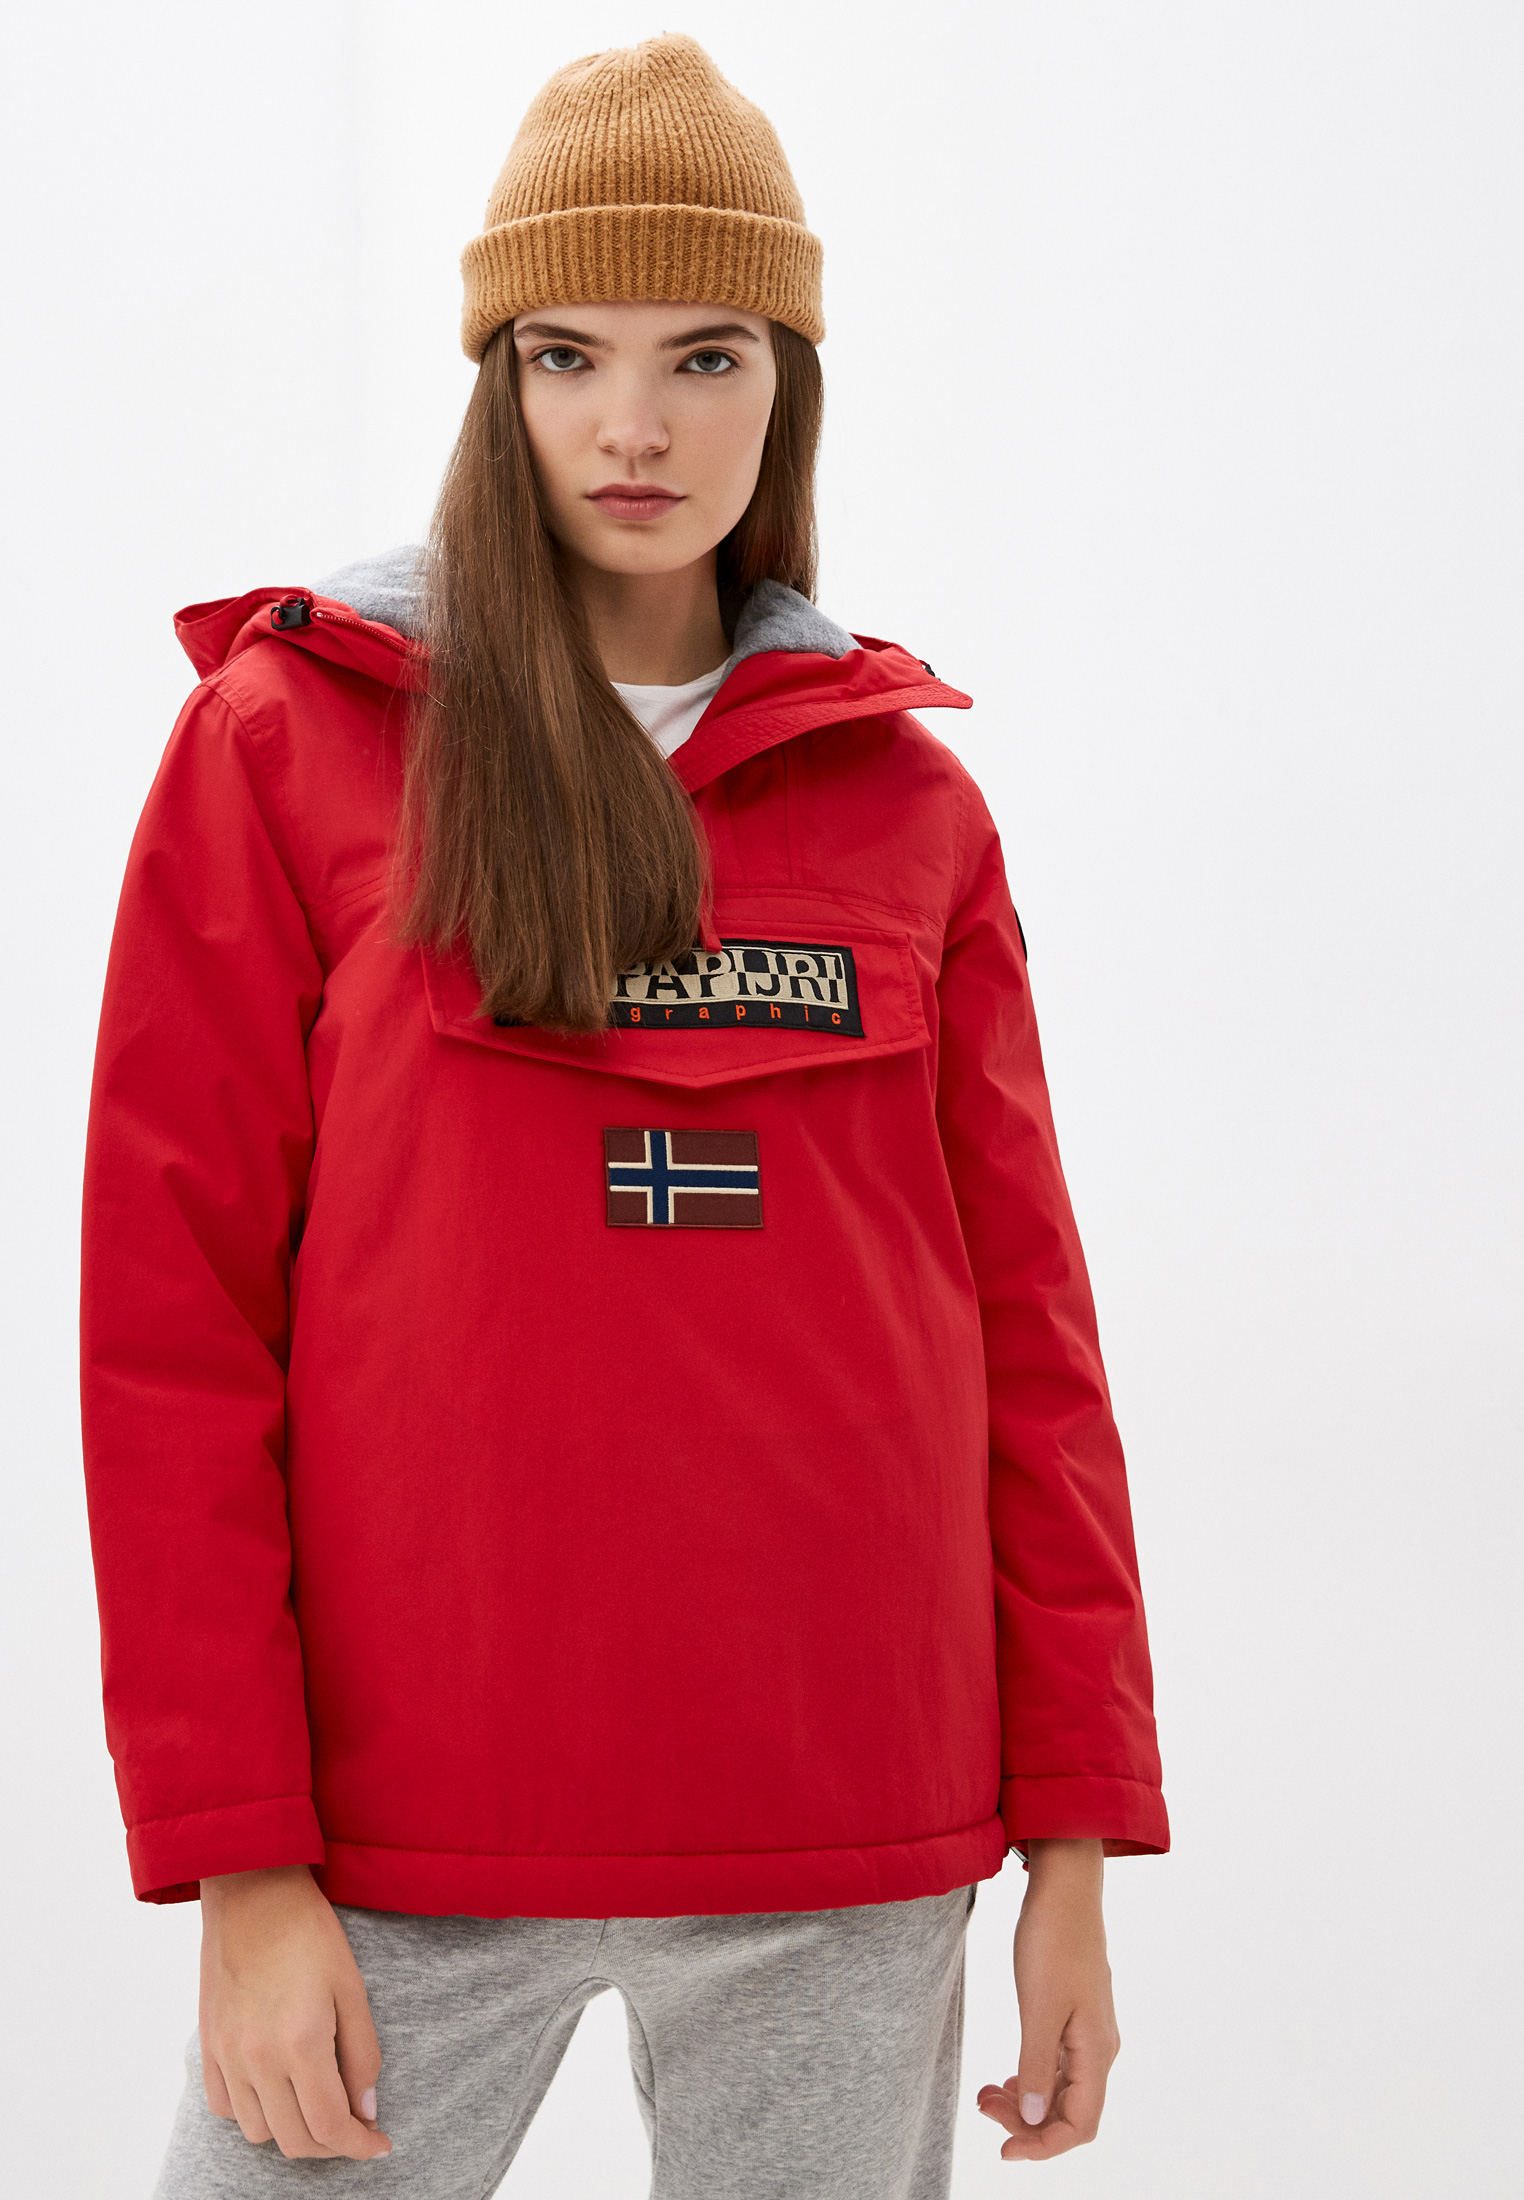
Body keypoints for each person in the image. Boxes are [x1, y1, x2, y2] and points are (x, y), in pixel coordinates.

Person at [80, 33, 1167, 2198]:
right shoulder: (288, 745)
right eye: (568, 355)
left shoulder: (912, 809)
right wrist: (241, 1862)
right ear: (497, 380)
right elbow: (171, 1332)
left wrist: (1072, 1844)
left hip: (843, 1825)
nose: (636, 427)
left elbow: (1029, 1346)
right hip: (398, 1833)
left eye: (707, 355)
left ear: (791, 383)